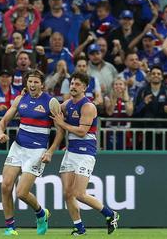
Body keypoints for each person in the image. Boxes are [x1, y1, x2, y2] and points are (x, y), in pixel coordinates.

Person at [50, 71, 120, 235]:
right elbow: (52, 111)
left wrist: (61, 123)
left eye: (77, 84)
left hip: (85, 153)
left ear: (85, 88)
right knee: (67, 193)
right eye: (72, 83)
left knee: (79, 194)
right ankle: (79, 227)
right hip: (71, 151)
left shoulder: (88, 106)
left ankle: (110, 214)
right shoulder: (67, 104)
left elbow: (82, 131)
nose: (73, 87)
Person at [0, 70, 64, 236]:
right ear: (26, 83)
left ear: (42, 84)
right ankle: (10, 228)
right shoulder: (21, 99)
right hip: (18, 147)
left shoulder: (51, 102)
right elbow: (4, 121)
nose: (32, 85)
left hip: (37, 151)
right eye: (30, 82)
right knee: (5, 186)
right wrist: (0, 132)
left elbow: (61, 131)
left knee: (21, 193)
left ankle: (41, 213)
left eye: (36, 82)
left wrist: (50, 151)